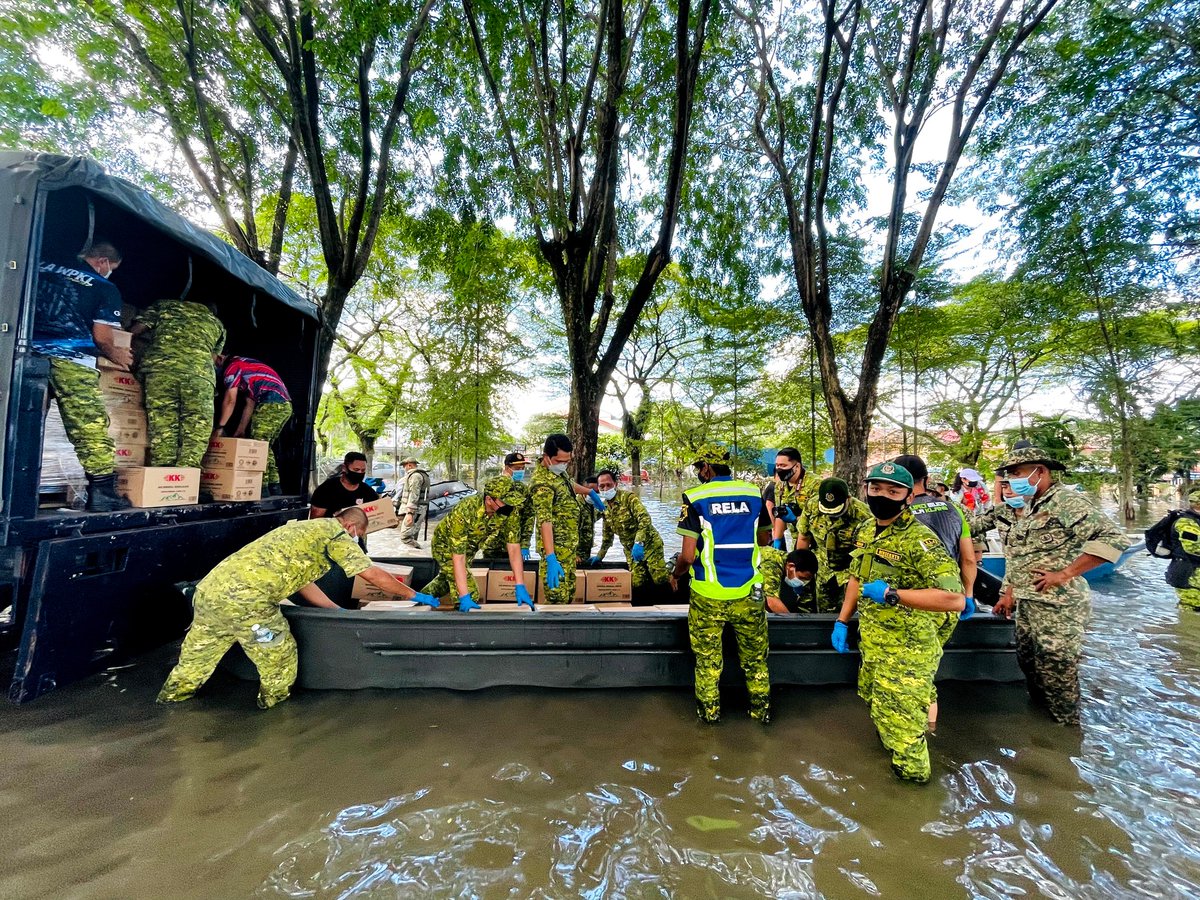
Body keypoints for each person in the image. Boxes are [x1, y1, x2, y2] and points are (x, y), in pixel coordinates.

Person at [157, 507, 439, 709]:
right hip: (248, 605)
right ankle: (274, 716)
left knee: (195, 662)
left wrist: (335, 610)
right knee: (279, 658)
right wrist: (414, 595)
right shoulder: (335, 535)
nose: (355, 541)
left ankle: (170, 702)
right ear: (352, 528)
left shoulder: (300, 530)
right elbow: (370, 574)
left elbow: (302, 583)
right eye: (358, 536)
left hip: (210, 594)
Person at [831, 461, 969, 783]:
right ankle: (891, 787)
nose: (882, 496)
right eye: (876, 489)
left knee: (906, 735)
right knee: (881, 712)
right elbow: (856, 576)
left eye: (893, 491)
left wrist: (894, 594)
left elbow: (953, 599)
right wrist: (842, 620)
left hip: (908, 650)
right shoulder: (866, 530)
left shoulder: (921, 540)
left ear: (909, 497)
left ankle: (913, 805)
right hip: (875, 642)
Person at [991, 445, 1131, 726]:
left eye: (1016, 473)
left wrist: (1066, 573)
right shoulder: (1031, 505)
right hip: (1028, 604)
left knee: (1057, 672)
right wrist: (1009, 593)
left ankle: (1067, 735)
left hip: (1059, 606)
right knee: (1030, 667)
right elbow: (1020, 556)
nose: (1011, 479)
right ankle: (1042, 734)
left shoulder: (1065, 501)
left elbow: (1114, 539)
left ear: (1039, 471)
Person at [672, 443, 773, 723]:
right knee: (755, 662)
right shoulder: (753, 493)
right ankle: (761, 715)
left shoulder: (695, 497)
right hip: (749, 592)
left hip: (707, 595)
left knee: (708, 663)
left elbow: (687, 555)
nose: (698, 473)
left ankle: (710, 720)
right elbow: (765, 539)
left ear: (706, 467)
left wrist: (676, 574)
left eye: (698, 468)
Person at [32, 239, 133, 511]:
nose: (109, 272)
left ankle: (23, 488)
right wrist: (117, 355)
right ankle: (102, 494)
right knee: (89, 425)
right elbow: (102, 337)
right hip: (71, 359)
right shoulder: (104, 287)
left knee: (26, 422)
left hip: (27, 354)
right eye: (111, 267)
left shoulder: (40, 267)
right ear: (102, 261)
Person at [894, 454, 976, 728]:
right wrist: (968, 596)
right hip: (950, 602)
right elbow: (968, 560)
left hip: (915, 602)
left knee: (913, 672)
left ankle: (921, 732)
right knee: (928, 668)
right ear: (926, 480)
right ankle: (928, 730)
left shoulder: (897, 512)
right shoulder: (954, 510)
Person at [131, 299, 226, 468]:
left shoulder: (164, 306)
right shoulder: (217, 324)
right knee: (197, 426)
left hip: (160, 371)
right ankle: (186, 476)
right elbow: (212, 358)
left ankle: (163, 475)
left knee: (163, 424)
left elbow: (136, 330)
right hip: (199, 376)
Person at [420, 476, 534, 611]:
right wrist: (464, 596)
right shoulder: (465, 510)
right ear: (489, 499)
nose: (510, 506)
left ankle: (420, 598)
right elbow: (458, 557)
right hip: (445, 546)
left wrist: (520, 585)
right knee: (470, 592)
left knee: (447, 579)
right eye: (505, 502)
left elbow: (514, 549)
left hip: (470, 548)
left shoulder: (509, 511)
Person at [529, 434, 607, 604]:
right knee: (557, 599)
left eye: (567, 461)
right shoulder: (541, 484)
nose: (564, 465)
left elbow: (570, 484)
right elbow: (545, 521)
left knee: (569, 593)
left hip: (569, 548)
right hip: (556, 551)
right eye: (560, 461)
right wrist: (550, 557)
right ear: (546, 458)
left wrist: (589, 492)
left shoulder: (558, 472)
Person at [789, 477, 873, 611]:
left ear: (848, 499)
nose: (831, 516)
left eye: (836, 511)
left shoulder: (863, 515)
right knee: (823, 612)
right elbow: (804, 538)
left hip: (850, 569)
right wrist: (801, 569)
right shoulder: (812, 506)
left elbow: (866, 556)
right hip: (822, 567)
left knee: (849, 613)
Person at [214, 354, 292, 495]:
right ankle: (274, 486)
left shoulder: (233, 366)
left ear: (220, 358)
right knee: (264, 446)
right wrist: (241, 430)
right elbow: (249, 404)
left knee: (259, 446)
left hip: (272, 404)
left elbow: (230, 400)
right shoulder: (247, 369)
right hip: (283, 406)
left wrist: (219, 427)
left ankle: (261, 488)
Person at [591, 469, 670, 590]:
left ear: (615, 484)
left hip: (649, 545)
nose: (605, 489)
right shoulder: (604, 508)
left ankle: (673, 568)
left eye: (608, 485)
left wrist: (639, 542)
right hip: (630, 550)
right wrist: (600, 556)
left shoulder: (628, 498)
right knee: (636, 583)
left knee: (660, 579)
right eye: (602, 486)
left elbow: (644, 518)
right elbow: (607, 537)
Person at [1146, 485, 1200, 610]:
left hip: (1194, 574)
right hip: (1189, 575)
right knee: (1191, 611)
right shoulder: (1186, 523)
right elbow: (1193, 549)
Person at [480, 452, 534, 561]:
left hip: (515, 545)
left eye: (522, 468)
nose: (520, 471)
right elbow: (485, 513)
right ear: (507, 467)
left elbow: (529, 517)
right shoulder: (494, 486)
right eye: (517, 468)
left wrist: (525, 544)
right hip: (492, 545)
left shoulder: (523, 490)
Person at [769, 447, 822, 551]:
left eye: (783, 465)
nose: (779, 469)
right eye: (777, 465)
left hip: (815, 541)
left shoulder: (815, 484)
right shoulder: (780, 486)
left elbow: (820, 520)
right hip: (793, 538)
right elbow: (781, 515)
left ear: (797, 466)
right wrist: (777, 540)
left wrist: (795, 519)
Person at [759, 546, 820, 614]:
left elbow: (806, 604)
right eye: (801, 578)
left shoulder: (795, 563)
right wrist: (792, 622)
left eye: (806, 579)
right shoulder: (771, 565)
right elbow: (771, 601)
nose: (803, 582)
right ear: (791, 567)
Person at [396, 456, 431, 548]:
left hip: (415, 511)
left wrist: (410, 513)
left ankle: (415, 555)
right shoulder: (421, 475)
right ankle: (415, 554)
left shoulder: (415, 476)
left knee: (406, 538)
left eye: (404, 466)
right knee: (412, 536)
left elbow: (414, 494)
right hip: (418, 511)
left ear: (409, 465)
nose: (404, 468)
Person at [577, 474, 603, 564]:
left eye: (597, 492)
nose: (594, 495)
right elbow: (566, 531)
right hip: (574, 552)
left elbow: (600, 514)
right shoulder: (576, 505)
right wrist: (573, 554)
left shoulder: (592, 505)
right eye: (591, 492)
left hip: (586, 550)